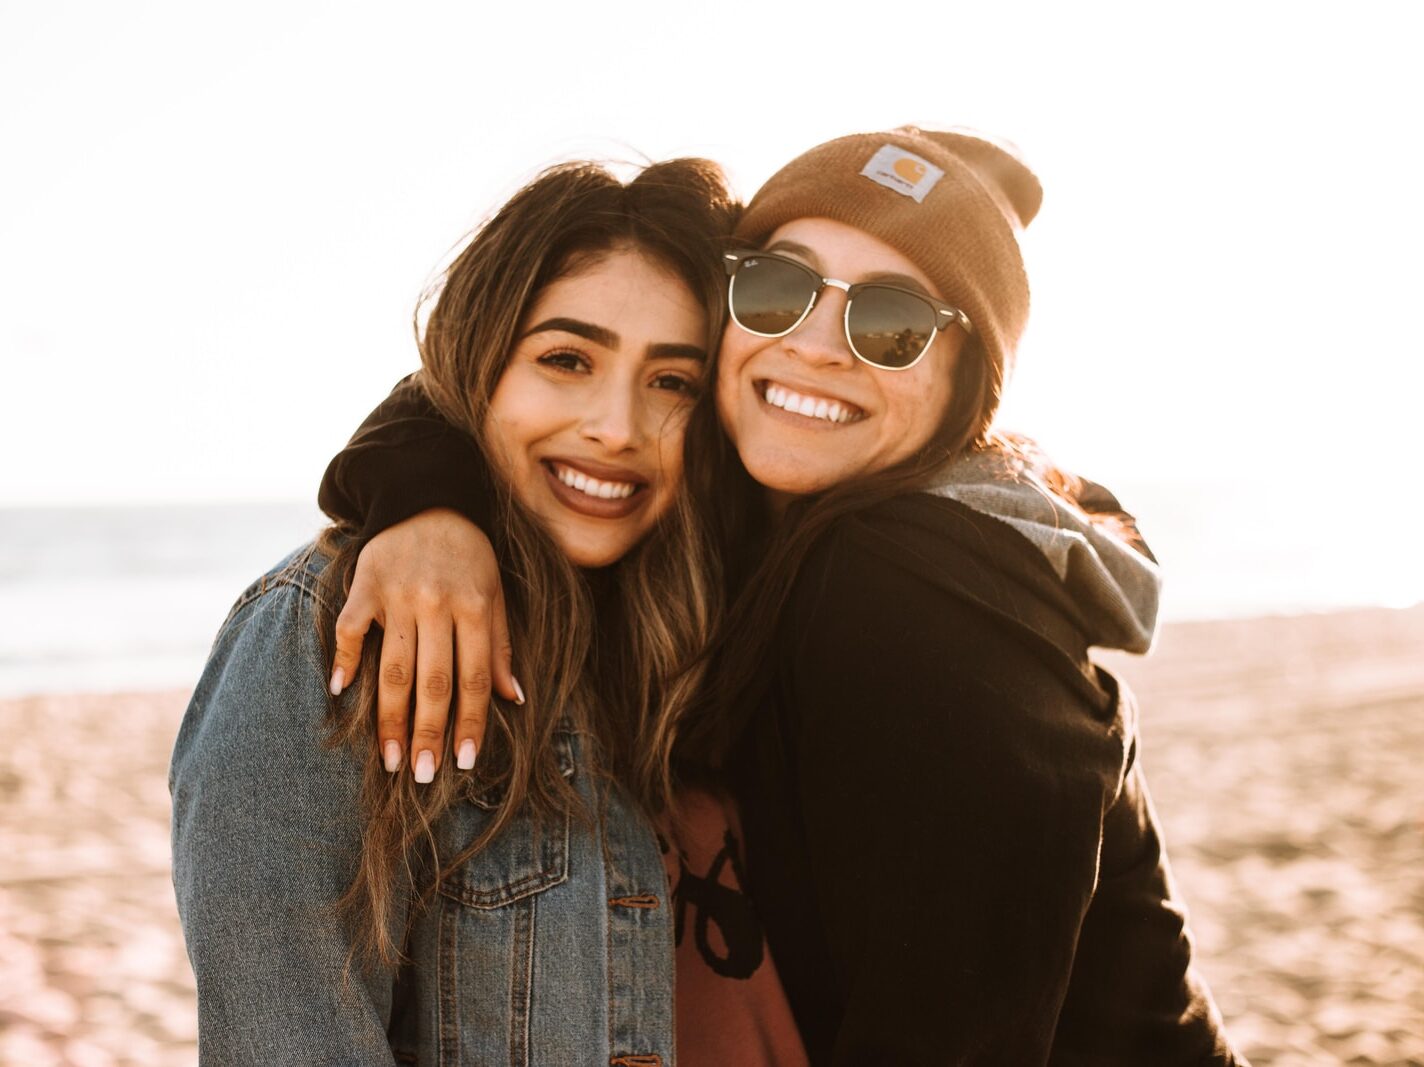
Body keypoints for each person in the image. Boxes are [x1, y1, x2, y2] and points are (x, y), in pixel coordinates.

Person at [315, 128, 1249, 1064]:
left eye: (892, 323)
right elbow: (498, 362)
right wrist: (431, 502)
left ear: (968, 381)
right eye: (777, 288)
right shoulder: (756, 503)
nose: (815, 346)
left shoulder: (918, 593)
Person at [169, 158, 810, 1065]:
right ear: (480, 364)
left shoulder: (698, 628)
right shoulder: (332, 631)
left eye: (673, 381)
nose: (618, 427)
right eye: (566, 360)